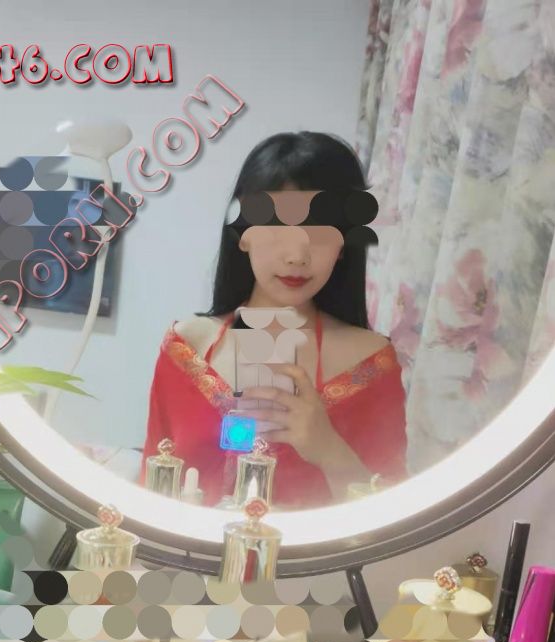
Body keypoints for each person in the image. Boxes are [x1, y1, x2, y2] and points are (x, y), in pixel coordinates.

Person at [141, 132, 407, 508]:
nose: (297, 255)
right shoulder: (187, 347)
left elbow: (394, 516)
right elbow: (150, 488)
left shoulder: (370, 361)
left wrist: (328, 447)